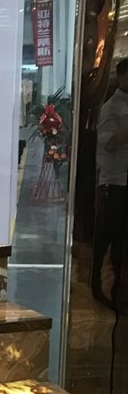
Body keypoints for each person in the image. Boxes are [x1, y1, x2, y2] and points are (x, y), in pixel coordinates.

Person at [92, 58, 128, 308]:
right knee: (109, 237)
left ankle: (118, 292)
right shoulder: (111, 107)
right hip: (115, 183)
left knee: (121, 241)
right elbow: (108, 144)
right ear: (121, 76)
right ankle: (100, 287)